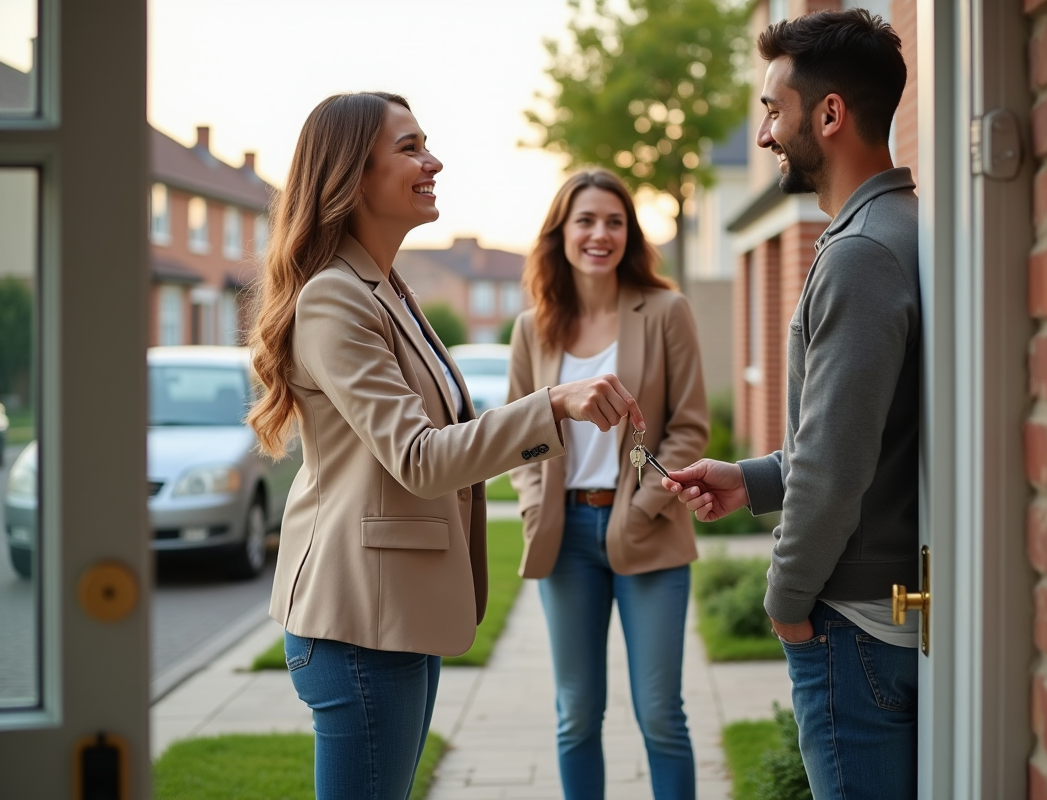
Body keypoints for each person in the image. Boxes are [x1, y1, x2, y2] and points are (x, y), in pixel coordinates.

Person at [246, 92, 645, 800]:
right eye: (409, 148)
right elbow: (421, 458)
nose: (433, 162)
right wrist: (552, 405)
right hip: (358, 623)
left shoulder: (385, 290)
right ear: (352, 174)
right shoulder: (336, 298)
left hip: (395, 613)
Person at [663, 10, 919, 800]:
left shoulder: (860, 253)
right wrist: (752, 480)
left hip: (858, 628)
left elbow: (837, 470)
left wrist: (785, 603)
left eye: (774, 109)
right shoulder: (891, 228)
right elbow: (874, 431)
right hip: (884, 617)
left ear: (830, 114)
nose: (765, 134)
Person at [507, 168, 709, 800]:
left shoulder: (667, 311)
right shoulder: (532, 328)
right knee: (576, 715)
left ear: (630, 234)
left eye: (615, 222)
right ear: (561, 233)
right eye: (586, 221)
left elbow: (689, 426)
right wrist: (535, 504)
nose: (601, 234)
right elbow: (517, 436)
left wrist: (642, 506)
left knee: (661, 715)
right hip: (565, 537)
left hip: (649, 529)